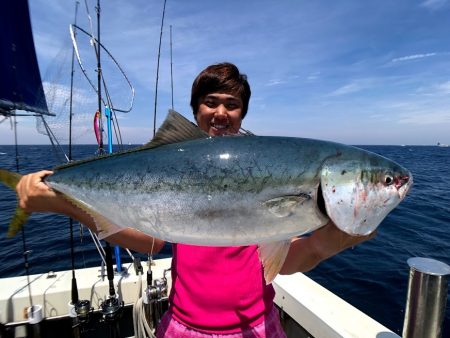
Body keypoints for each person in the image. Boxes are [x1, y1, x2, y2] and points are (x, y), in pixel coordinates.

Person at [15, 62, 375, 337]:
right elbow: (152, 240)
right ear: (195, 110)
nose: (221, 112)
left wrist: (332, 241)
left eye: (232, 104)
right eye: (210, 102)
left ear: (242, 114)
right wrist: (66, 204)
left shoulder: (271, 171)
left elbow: (287, 259)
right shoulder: (173, 168)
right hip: (184, 326)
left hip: (256, 326)